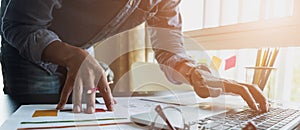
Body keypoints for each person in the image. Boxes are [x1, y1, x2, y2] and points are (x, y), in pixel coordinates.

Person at [0, 0, 269, 114]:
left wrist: (195, 73)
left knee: (79, 126)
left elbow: (168, 50)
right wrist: (71, 54)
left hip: (83, 50)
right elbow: (19, 25)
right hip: (28, 49)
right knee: (34, 128)